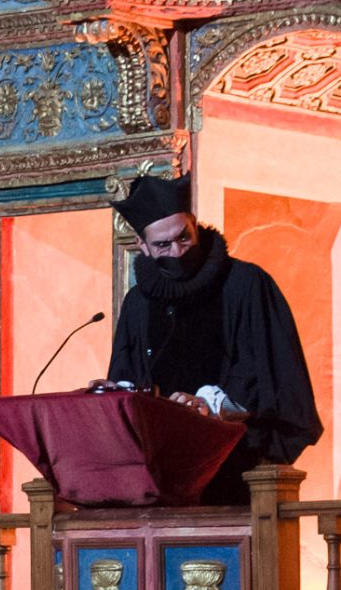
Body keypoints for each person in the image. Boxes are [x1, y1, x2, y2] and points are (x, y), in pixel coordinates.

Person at [100, 172, 323, 501]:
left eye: (184, 238)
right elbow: (126, 391)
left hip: (239, 474)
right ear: (142, 246)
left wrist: (212, 406)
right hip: (160, 484)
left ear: (194, 223)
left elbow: (280, 389)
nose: (177, 252)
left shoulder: (247, 285)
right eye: (163, 244)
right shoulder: (138, 304)